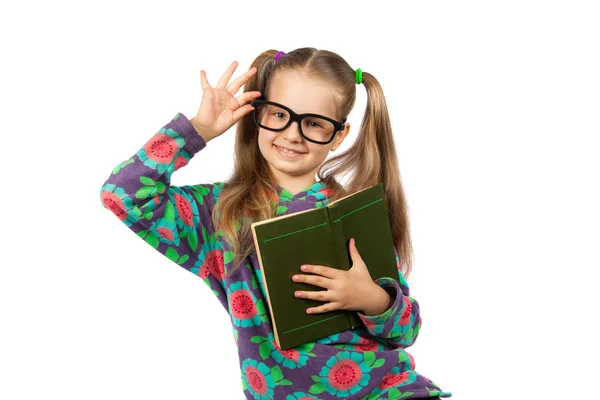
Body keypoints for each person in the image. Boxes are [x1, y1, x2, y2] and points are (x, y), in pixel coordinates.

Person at [99, 47, 452, 400]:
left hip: (388, 391)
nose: (293, 134)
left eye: (314, 123)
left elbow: (407, 329)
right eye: (279, 114)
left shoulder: (353, 213)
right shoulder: (220, 213)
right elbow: (123, 194)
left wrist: (373, 299)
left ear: (338, 136)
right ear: (258, 114)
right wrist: (197, 131)